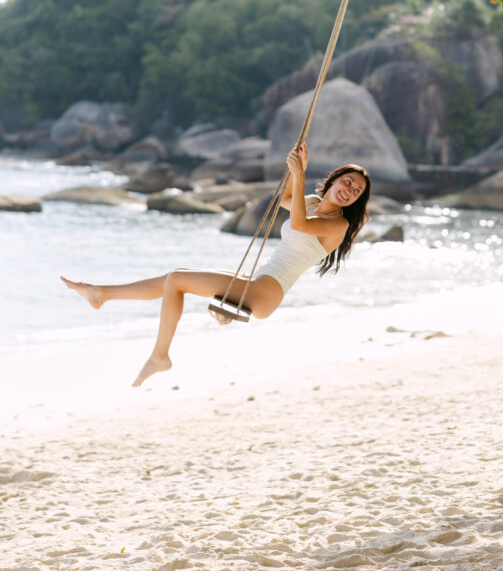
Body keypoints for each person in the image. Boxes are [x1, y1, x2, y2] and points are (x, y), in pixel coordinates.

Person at [61, 143, 371, 388]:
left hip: (266, 293)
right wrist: (295, 168)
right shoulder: (315, 204)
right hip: (260, 281)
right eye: (348, 182)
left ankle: (160, 356)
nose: (350, 191)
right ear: (333, 180)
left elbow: (300, 223)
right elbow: (286, 202)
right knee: (174, 277)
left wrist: (300, 173)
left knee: (178, 280)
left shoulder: (337, 225)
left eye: (357, 191)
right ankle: (101, 293)